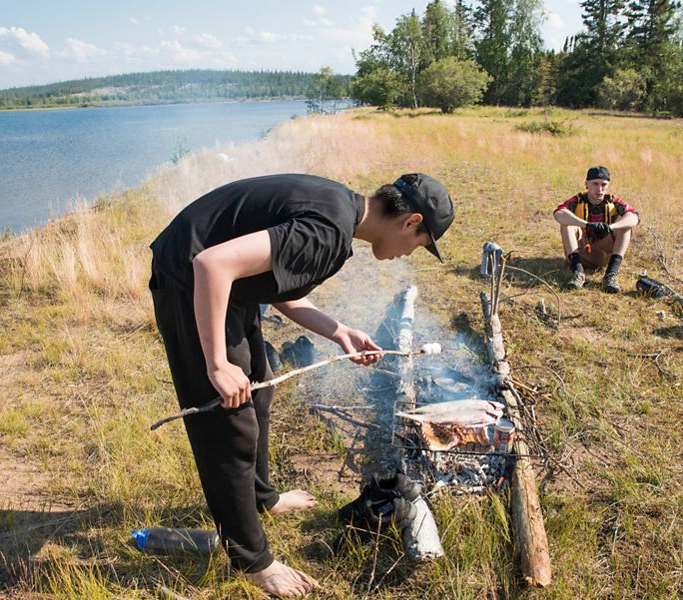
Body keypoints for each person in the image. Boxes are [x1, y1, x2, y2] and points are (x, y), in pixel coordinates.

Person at [149, 172, 454, 598]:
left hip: (227, 288)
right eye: (421, 244)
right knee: (230, 422)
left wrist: (338, 331)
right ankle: (253, 560)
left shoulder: (340, 212)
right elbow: (212, 264)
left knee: (260, 388)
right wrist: (216, 363)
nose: (410, 254)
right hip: (190, 282)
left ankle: (261, 498)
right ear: (410, 221)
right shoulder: (329, 230)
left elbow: (275, 280)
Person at [553, 166, 640, 293]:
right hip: (581, 252)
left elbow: (634, 217)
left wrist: (610, 227)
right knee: (567, 224)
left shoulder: (613, 201)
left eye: (603, 184)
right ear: (586, 184)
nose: (599, 189)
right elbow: (558, 213)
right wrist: (586, 224)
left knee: (626, 227)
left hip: (604, 254)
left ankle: (610, 275)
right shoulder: (577, 201)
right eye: (595, 184)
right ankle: (578, 273)